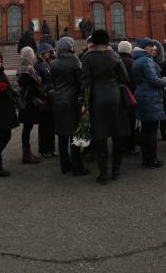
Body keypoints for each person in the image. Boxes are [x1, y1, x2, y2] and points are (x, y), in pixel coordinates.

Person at [81, 29, 130, 184]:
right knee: (117, 133)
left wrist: (83, 101)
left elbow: (85, 82)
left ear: (94, 41)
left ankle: (103, 174)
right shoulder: (114, 55)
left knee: (100, 134)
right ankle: (116, 170)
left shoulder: (88, 57)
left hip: (97, 96)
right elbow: (125, 78)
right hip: (114, 95)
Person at [51, 37, 90, 176]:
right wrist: (83, 100)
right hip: (72, 101)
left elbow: (54, 83)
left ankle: (65, 166)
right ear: (70, 46)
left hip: (58, 101)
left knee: (62, 135)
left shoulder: (53, 62)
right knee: (75, 135)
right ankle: (77, 167)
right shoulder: (74, 60)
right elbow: (81, 81)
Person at [133, 38, 166, 169]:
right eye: (150, 46)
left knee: (146, 130)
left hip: (142, 95)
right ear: (144, 48)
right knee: (151, 131)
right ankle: (152, 160)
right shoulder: (146, 60)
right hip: (150, 97)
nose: (153, 48)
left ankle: (146, 160)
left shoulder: (137, 59)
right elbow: (153, 80)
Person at [16, 46, 44, 164]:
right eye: (32, 55)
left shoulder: (20, 68)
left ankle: (27, 153)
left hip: (24, 102)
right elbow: (34, 88)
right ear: (30, 56)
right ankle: (27, 155)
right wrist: (43, 97)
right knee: (27, 128)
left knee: (27, 128)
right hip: (30, 103)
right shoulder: (29, 69)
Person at [35, 43, 56, 158]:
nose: (48, 53)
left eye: (49, 52)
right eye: (46, 52)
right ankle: (44, 150)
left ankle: (51, 149)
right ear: (41, 53)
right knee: (44, 126)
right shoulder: (38, 66)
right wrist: (47, 88)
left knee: (51, 124)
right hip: (44, 98)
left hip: (51, 98)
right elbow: (38, 83)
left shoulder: (48, 64)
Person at [118, 40, 137, 154]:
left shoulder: (116, 61)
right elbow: (134, 81)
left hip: (118, 96)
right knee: (131, 122)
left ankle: (122, 146)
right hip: (130, 96)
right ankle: (130, 147)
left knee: (121, 122)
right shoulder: (132, 62)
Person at [152, 39, 166, 141]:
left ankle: (163, 132)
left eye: (156, 50)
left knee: (163, 112)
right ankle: (154, 133)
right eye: (152, 50)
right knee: (153, 114)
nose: (154, 52)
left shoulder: (164, 63)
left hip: (162, 90)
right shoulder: (148, 61)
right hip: (152, 90)